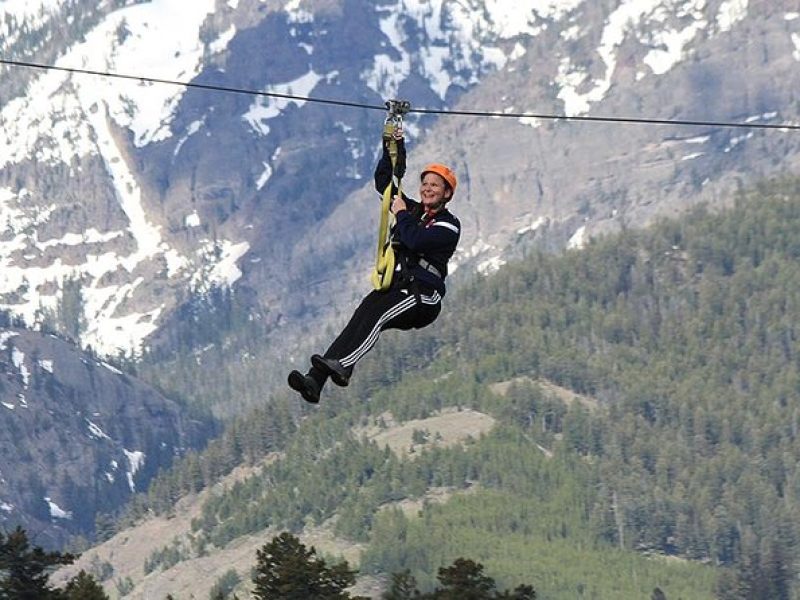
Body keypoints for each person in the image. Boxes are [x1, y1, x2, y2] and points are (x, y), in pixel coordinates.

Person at [288, 127, 461, 403]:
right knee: (363, 314)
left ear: (447, 194)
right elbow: (385, 184)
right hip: (400, 287)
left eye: (435, 186)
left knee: (378, 316)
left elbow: (416, 241)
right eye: (425, 184)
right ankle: (315, 380)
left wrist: (402, 213)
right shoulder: (413, 211)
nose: (428, 189)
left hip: (423, 298)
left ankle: (344, 365)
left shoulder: (448, 225)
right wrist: (392, 146)